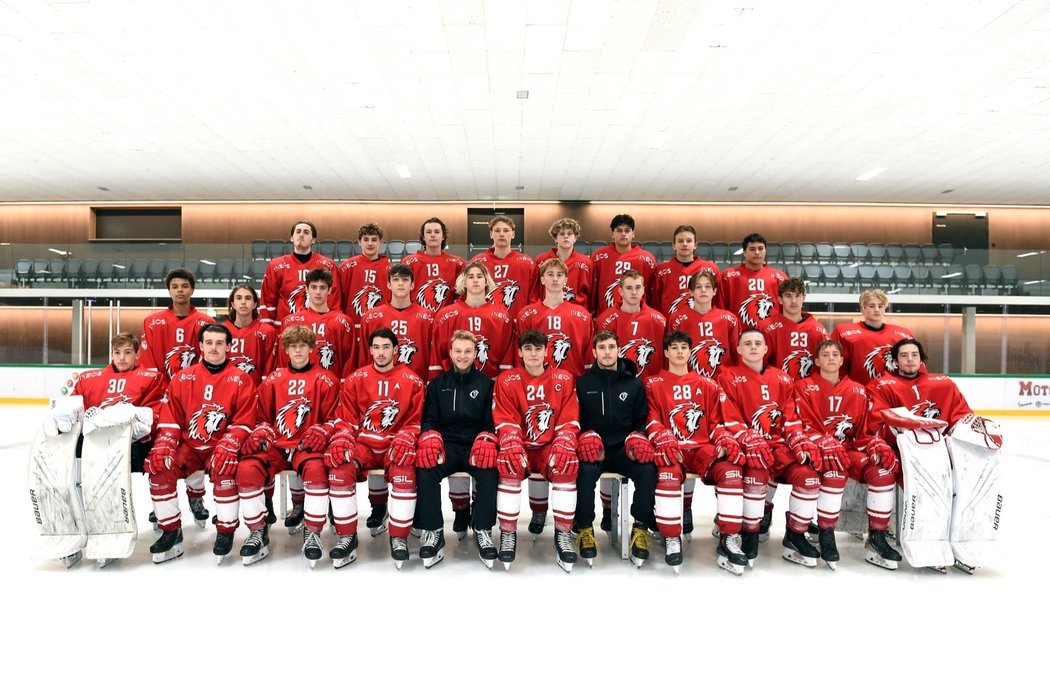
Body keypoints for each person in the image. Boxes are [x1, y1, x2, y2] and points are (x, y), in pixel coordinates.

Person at [867, 338, 1002, 573]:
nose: (910, 360)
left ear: (921, 359)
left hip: (942, 450)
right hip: (908, 452)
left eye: (914, 355)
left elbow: (961, 415)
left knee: (971, 480)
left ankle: (964, 541)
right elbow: (879, 420)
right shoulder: (882, 385)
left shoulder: (943, 384)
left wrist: (977, 431)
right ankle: (928, 545)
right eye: (904, 355)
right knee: (929, 488)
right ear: (895, 360)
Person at [39, 332, 165, 568]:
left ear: (138, 354)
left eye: (128, 352)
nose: (122, 357)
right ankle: (69, 531)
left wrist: (125, 418)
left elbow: (154, 415)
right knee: (63, 473)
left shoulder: (151, 377)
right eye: (117, 352)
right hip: (91, 441)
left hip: (131, 445)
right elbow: (73, 406)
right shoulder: (90, 378)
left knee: (104, 479)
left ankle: (109, 532)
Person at [144, 324, 256, 564]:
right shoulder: (183, 377)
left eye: (219, 343)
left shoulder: (241, 379)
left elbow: (245, 419)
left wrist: (231, 442)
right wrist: (165, 441)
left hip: (221, 447)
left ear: (229, 346)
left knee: (225, 471)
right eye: (209, 343)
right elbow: (171, 415)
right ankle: (170, 531)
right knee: (160, 469)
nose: (214, 348)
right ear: (201, 346)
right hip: (189, 447)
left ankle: (225, 532)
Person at [792, 339, 903, 570]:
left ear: (842, 360)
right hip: (817, 450)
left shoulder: (857, 390)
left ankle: (877, 537)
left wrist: (874, 443)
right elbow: (801, 425)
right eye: (825, 354)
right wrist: (821, 441)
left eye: (835, 354)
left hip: (849, 450)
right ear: (816, 361)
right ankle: (826, 533)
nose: (831, 358)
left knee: (883, 472)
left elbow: (864, 431)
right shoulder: (803, 387)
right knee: (835, 470)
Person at [718, 328, 823, 568]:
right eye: (748, 343)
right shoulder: (727, 377)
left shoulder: (783, 378)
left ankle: (795, 535)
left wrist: (798, 439)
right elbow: (728, 418)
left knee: (809, 477)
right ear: (738, 349)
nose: (753, 347)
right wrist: (748, 437)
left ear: (766, 349)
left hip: (778, 447)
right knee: (756, 474)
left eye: (758, 343)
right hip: (747, 448)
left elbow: (791, 417)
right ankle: (749, 533)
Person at [644, 331, 748, 574]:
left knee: (732, 472)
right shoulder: (652, 383)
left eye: (684, 347)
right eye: (674, 347)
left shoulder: (707, 384)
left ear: (690, 352)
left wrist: (723, 437)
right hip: (672, 449)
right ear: (666, 353)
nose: (680, 352)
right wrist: (663, 437)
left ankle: (729, 538)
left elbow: (715, 423)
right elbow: (650, 419)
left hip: (702, 448)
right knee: (668, 475)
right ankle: (671, 537)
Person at [238, 326, 341, 567]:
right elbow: (261, 416)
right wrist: (262, 428)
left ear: (311, 348)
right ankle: (257, 530)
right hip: (277, 443)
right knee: (247, 469)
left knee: (316, 471)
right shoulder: (273, 380)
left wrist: (323, 430)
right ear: (285, 349)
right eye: (293, 346)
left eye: (302, 346)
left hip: (308, 445)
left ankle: (313, 531)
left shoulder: (326, 380)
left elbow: (335, 418)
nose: (297, 350)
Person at [329, 327, 425, 569]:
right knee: (340, 470)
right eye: (376, 347)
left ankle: (399, 537)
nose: (381, 353)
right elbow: (346, 419)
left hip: (396, 445)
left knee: (406, 474)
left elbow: (415, 421)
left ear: (395, 350)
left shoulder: (412, 381)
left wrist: (406, 436)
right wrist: (343, 437)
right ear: (370, 350)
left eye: (386, 347)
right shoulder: (355, 379)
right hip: (365, 445)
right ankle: (347, 536)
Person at [492, 330, 581, 572]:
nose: (533, 354)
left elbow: (569, 417)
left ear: (546, 351)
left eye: (538, 349)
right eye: (528, 349)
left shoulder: (564, 378)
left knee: (565, 464)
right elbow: (505, 418)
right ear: (520, 352)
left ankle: (563, 533)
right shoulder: (507, 380)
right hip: (520, 446)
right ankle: (508, 533)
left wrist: (564, 440)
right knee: (509, 463)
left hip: (548, 446)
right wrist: (511, 442)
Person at [414, 330, 500, 569]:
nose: (462, 356)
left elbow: (490, 422)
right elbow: (429, 420)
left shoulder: (486, 385)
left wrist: (486, 439)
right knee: (426, 467)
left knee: (489, 470)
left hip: (475, 446)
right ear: (450, 353)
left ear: (475, 354)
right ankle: (433, 530)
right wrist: (431, 438)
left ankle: (482, 528)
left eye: (468, 351)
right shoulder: (438, 385)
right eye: (458, 351)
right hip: (448, 445)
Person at [574, 330, 657, 567]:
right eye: (602, 348)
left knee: (647, 470)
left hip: (623, 448)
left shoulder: (633, 383)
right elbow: (576, 419)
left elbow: (641, 420)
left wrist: (637, 437)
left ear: (619, 350)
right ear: (594, 352)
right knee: (585, 472)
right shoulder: (583, 382)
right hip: (594, 448)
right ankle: (585, 528)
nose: (607, 352)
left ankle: (640, 528)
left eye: (611, 347)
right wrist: (584, 437)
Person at [432, 261, 516, 378]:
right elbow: (438, 354)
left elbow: (507, 356)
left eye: (480, 276)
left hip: (490, 384)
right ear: (464, 282)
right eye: (470, 277)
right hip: (454, 384)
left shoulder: (503, 318)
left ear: (486, 281)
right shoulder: (445, 316)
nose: (475, 280)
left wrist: (503, 386)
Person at [359, 264, 439, 382]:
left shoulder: (429, 318)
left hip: (416, 386)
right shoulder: (370, 318)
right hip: (378, 387)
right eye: (396, 279)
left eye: (405, 279)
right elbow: (364, 359)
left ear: (412, 285)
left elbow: (433, 358)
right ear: (389, 285)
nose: (400, 283)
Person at [515, 258, 594, 376]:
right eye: (550, 274)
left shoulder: (582, 316)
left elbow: (588, 357)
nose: (555, 279)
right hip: (537, 383)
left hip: (574, 382)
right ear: (542, 279)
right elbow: (521, 353)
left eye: (559, 275)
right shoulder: (526, 315)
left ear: (566, 280)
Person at [259, 220, 342, 326]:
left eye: (306, 232)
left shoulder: (328, 265)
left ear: (313, 240)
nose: (301, 235)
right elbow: (268, 299)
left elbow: (334, 298)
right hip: (285, 327)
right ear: (292, 238)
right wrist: (268, 328)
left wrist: (328, 325)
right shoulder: (276, 266)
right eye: (298, 232)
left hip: (317, 326)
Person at [139, 267, 213, 384]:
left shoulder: (206, 322)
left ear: (192, 290)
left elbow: (210, 357)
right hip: (161, 390)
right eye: (175, 287)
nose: (180, 290)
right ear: (169, 291)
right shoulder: (152, 322)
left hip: (196, 388)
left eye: (184, 286)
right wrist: (154, 386)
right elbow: (146, 358)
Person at [830, 288, 913, 384]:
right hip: (858, 392)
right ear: (862, 309)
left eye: (880, 306)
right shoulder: (843, 332)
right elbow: (834, 365)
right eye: (872, 306)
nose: (877, 310)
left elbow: (914, 366)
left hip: (892, 393)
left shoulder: (903, 334)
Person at [668, 269, 740, 379]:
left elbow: (738, 355)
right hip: (689, 382)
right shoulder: (677, 320)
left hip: (723, 381)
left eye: (707, 287)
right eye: (698, 287)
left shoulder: (729, 320)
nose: (703, 290)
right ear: (691, 292)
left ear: (714, 291)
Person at [758, 277, 830, 381]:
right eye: (788, 296)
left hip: (809, 392)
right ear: (780, 299)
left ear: (804, 298)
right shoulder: (766, 327)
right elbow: (758, 364)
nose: (794, 301)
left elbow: (828, 366)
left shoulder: (818, 330)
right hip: (777, 389)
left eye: (797, 295)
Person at [469, 215, 536, 318]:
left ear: (513, 234)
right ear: (491, 234)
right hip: (486, 321)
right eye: (497, 230)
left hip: (517, 324)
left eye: (506, 230)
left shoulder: (527, 263)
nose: (501, 234)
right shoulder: (478, 262)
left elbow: (534, 298)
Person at [716, 232, 788, 328]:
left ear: (765, 251)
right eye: (752, 249)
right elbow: (720, 309)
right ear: (744, 252)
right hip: (739, 334)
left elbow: (786, 311)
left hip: (771, 334)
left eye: (760, 248)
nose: (757, 252)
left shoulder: (779, 277)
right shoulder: (728, 276)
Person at [591, 213, 657, 316]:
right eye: (619, 230)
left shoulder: (647, 259)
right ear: (612, 233)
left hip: (638, 317)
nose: (623, 234)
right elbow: (593, 288)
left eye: (627, 230)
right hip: (606, 316)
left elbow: (651, 292)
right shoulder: (599, 256)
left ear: (633, 233)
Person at [648, 224, 720, 317]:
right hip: (671, 326)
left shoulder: (711, 269)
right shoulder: (661, 270)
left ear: (695, 245)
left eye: (689, 241)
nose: (685, 244)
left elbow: (717, 302)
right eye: (680, 241)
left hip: (702, 324)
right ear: (674, 245)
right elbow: (655, 303)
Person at [401, 217, 465, 313]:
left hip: (446, 318)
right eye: (429, 232)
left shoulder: (457, 263)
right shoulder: (409, 262)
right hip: (417, 318)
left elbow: (463, 294)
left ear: (443, 236)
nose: (433, 235)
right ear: (423, 236)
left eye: (437, 232)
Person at [339, 222, 391, 334]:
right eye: (366, 239)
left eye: (374, 239)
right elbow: (339, 298)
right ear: (359, 242)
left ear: (381, 242)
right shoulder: (346, 267)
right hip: (353, 326)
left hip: (382, 327)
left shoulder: (390, 270)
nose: (370, 243)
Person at [222, 284, 278, 387]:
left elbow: (270, 369)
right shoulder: (221, 332)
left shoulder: (267, 331)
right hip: (226, 390)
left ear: (255, 304)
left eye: (248, 298)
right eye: (239, 298)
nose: (243, 302)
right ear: (233, 304)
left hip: (255, 391)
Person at [532, 217, 593, 308]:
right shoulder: (540, 260)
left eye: (570, 234)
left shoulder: (586, 262)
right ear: (555, 238)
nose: (566, 236)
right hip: (546, 312)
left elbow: (591, 292)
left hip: (577, 314)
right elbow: (534, 291)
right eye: (561, 234)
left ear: (575, 238)